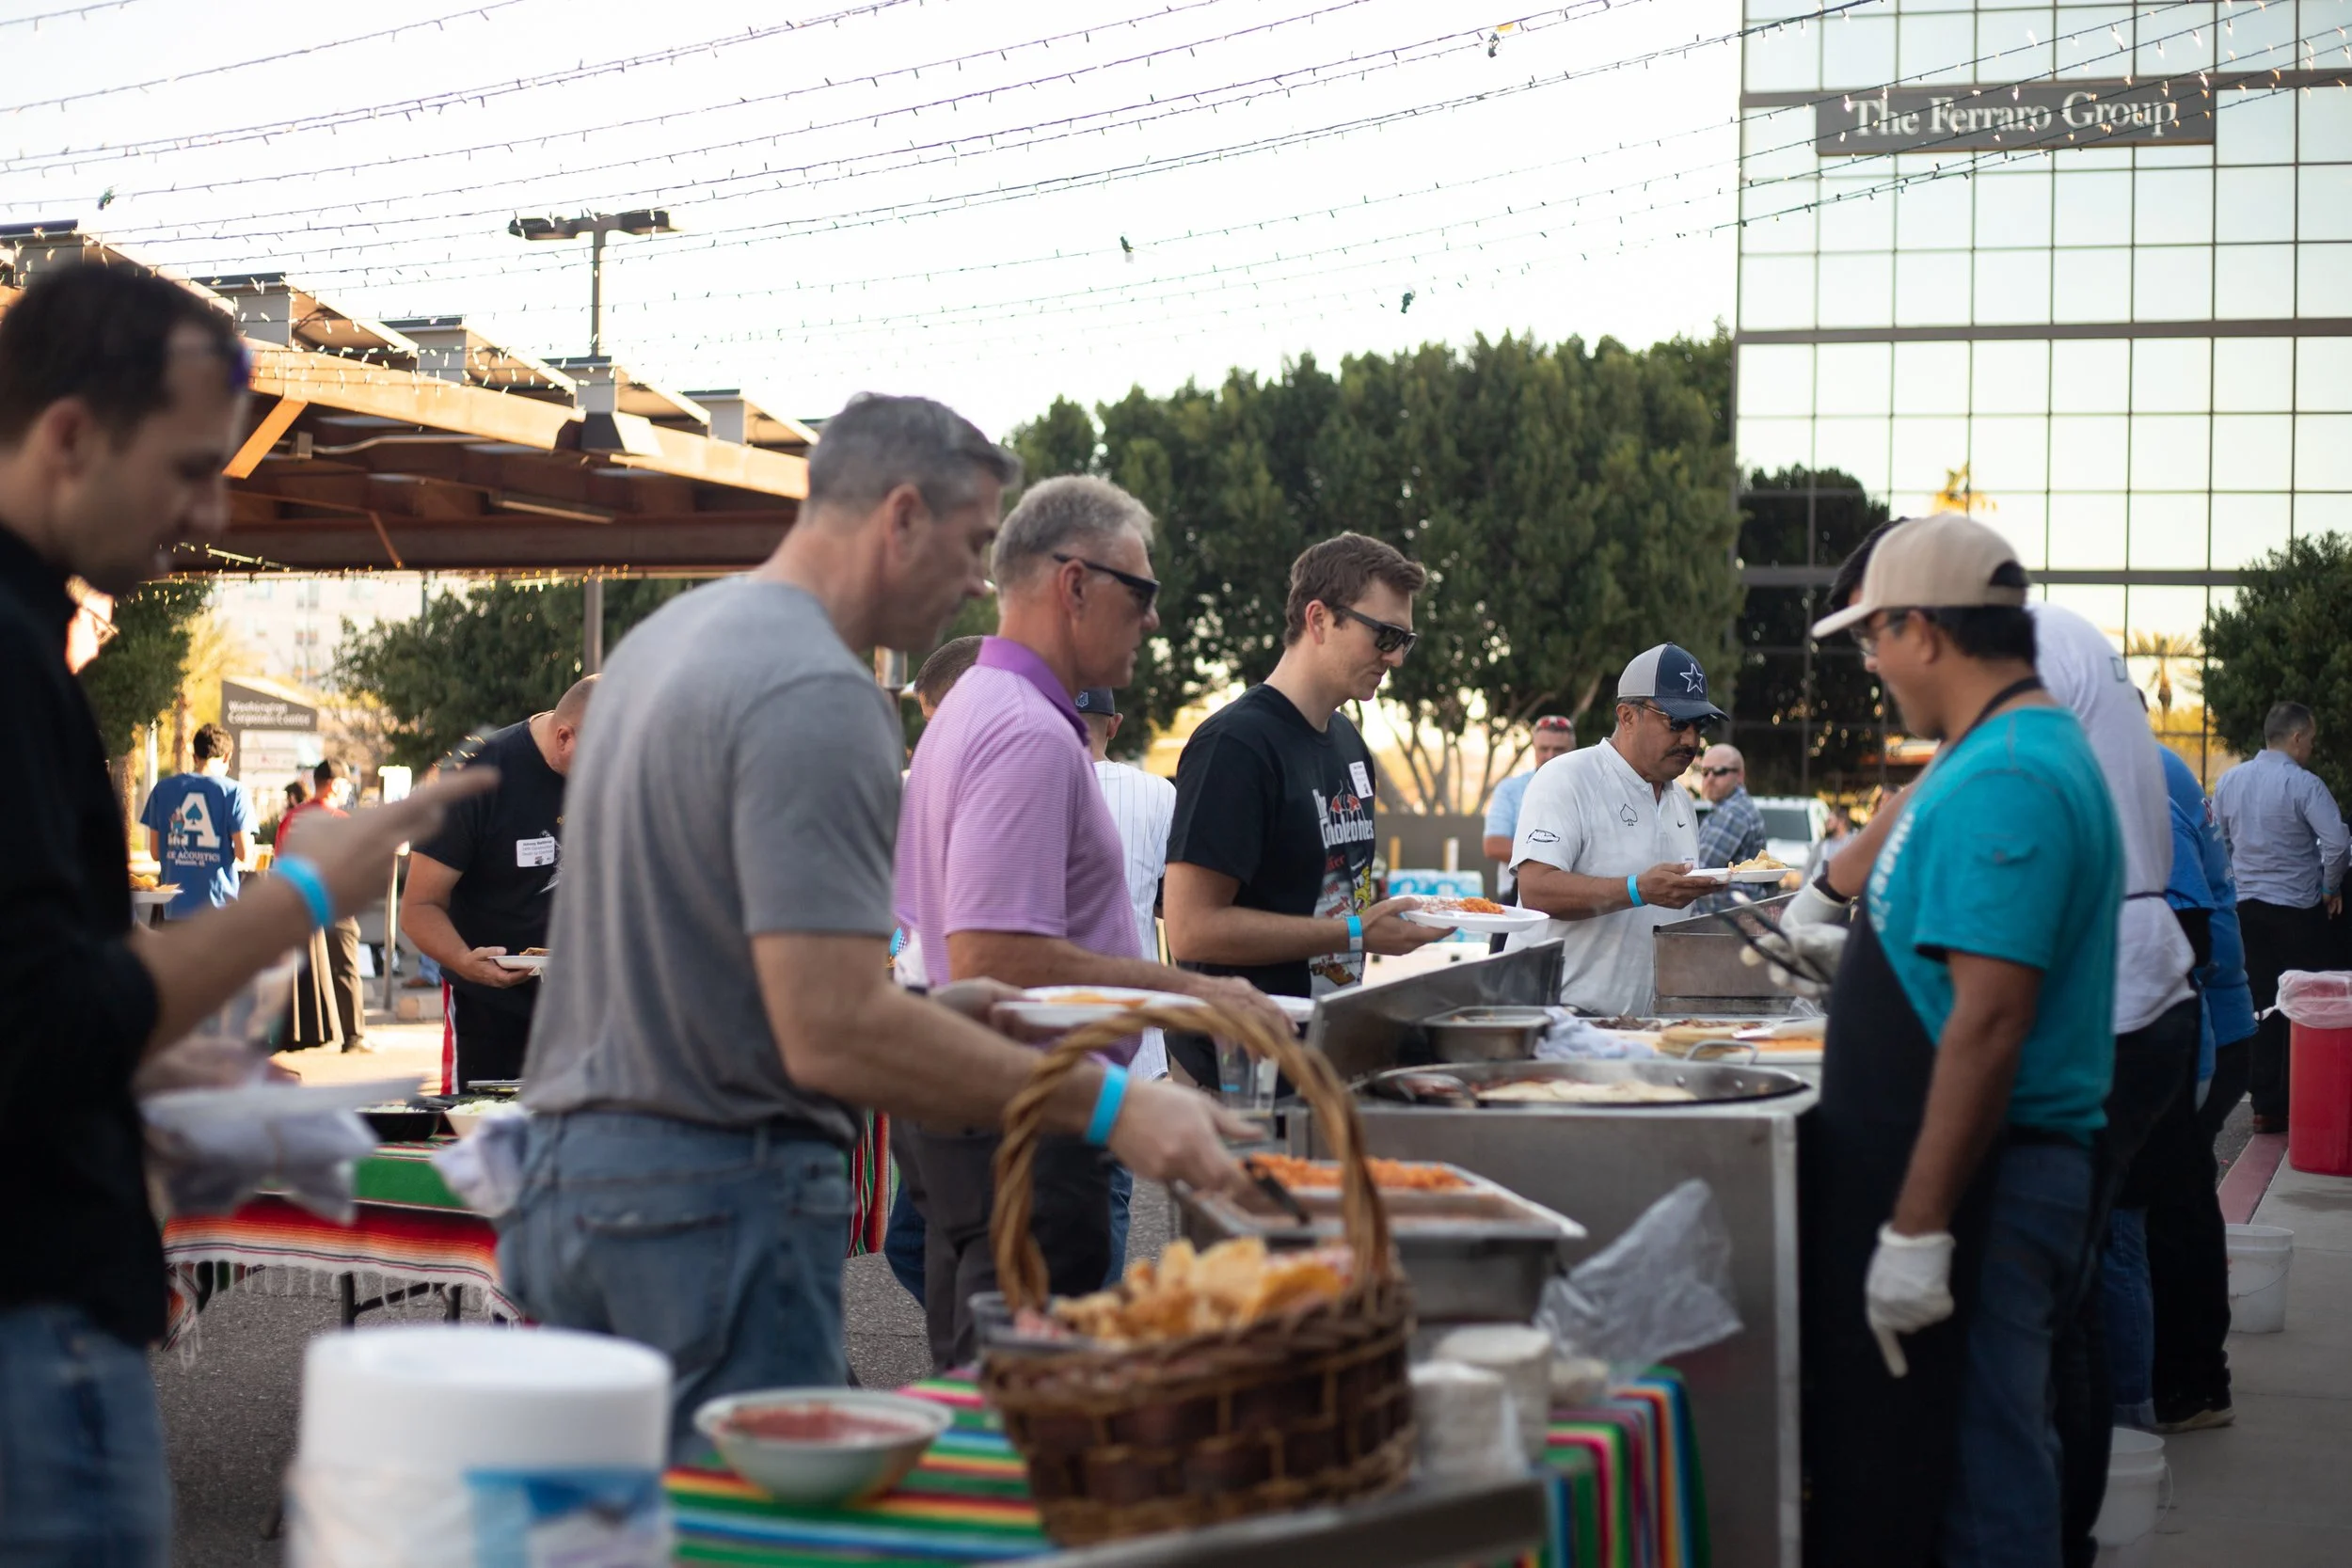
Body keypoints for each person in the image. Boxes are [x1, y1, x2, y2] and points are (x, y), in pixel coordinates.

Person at [505, 396, 1251, 1457]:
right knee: (752, 1536)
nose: (978, 583)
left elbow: (716, 957)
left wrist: (933, 1004)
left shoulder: (670, 643)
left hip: (579, 1181)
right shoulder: (821, 689)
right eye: (971, 544)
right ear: (900, 515)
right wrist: (1116, 1106)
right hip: (708, 1202)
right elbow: (829, 1029)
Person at [0, 261, 488, 1564]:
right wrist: (311, 889)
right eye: (185, 469)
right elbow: (47, 1021)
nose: (207, 509)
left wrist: (179, 1086)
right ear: (67, 437)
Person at [896, 475, 1282, 1370]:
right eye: (1140, 592)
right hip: (1027, 1120)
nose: (1152, 619)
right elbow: (995, 954)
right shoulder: (1029, 729)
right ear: (1074, 584)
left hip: (980, 1111)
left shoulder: (971, 710)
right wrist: (1191, 989)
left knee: (983, 1371)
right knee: (1038, 1390)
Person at [1798, 514, 2122, 1568]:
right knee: (1947, 1464)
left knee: (1986, 1471)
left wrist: (1918, 1228)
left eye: (1872, 638)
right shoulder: (1983, 753)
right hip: (1969, 1172)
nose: (1874, 664)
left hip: (1996, 1180)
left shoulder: (2009, 772)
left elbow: (1989, 1019)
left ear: (1921, 630)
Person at [1163, 532, 1452, 1089]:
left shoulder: (1348, 740)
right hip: (1237, 1075)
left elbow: (1327, 887)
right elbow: (1192, 929)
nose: (1394, 656)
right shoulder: (1237, 745)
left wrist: (1373, 920)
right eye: (1384, 635)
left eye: (1405, 639)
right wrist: (1353, 931)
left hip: (1322, 1060)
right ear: (1319, 619)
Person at [1502, 644, 1725, 1015]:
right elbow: (1537, 889)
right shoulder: (1568, 777)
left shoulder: (1682, 801)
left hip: (1638, 1028)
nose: (1691, 740)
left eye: (1699, 725)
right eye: (1676, 722)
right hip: (1558, 1018)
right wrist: (1638, 889)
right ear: (1627, 716)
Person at [402, 676, 596, 1092]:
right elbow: (419, 907)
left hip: (587, 1005)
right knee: (486, 1140)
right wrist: (463, 959)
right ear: (565, 737)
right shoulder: (475, 775)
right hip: (491, 1010)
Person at [1075, 683, 1177, 1282]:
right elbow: (1175, 908)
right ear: (1113, 725)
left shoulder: (1022, 782)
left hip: (1038, 1029)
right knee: (1108, 1196)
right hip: (1129, 1035)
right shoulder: (1158, 795)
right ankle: (1098, 1332)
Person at [2212, 702, 2348, 1132]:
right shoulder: (2304, 785)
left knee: (2261, 1005)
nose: (2310, 746)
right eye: (2309, 739)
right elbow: (2338, 843)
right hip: (2297, 911)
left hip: (2247, 911)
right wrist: (2329, 888)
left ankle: (2265, 1106)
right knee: (2304, 1006)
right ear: (2295, 738)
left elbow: (2221, 844)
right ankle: (2304, 1101)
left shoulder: (2229, 782)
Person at [278, 758, 370, 1055]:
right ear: (333, 785)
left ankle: (294, 1037)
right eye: (344, 785)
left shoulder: (292, 818)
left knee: (298, 970)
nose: (346, 791)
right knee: (345, 968)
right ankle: (353, 1037)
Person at [140, 722, 255, 921]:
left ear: (195, 757)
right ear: (227, 757)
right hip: (219, 912)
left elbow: (156, 852)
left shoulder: (162, 789)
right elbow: (244, 853)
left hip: (175, 911)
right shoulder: (235, 792)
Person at [1480, 714, 1574, 950]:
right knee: (1502, 978)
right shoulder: (1511, 789)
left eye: (1559, 749)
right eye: (1544, 749)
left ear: (1573, 748)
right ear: (1534, 748)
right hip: (1516, 898)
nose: (1550, 756)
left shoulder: (1587, 789)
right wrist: (1553, 855)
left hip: (1572, 895)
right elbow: (1493, 845)